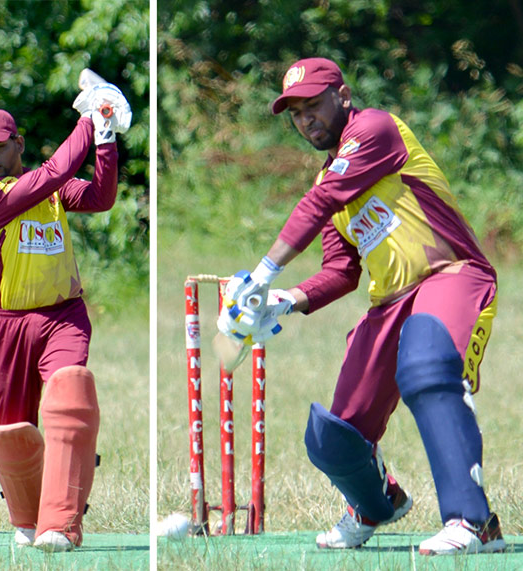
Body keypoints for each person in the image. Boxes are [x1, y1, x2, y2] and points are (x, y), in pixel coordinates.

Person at [217, 57, 506, 556]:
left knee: (427, 365)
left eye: (314, 105)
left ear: (343, 95)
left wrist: (263, 275)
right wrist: (283, 302)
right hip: (389, 302)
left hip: (450, 274)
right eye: (296, 113)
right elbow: (341, 271)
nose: (307, 119)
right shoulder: (329, 181)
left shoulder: (375, 129)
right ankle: (375, 503)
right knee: (335, 438)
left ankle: (473, 523)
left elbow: (321, 202)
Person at [0, 77, 131, 552]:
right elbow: (55, 172)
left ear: (18, 143)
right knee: (15, 432)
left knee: (69, 398)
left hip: (64, 316)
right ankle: (26, 517)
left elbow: (100, 197)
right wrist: (88, 116)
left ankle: (61, 524)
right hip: (10, 325)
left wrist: (104, 138)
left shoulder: (49, 188)